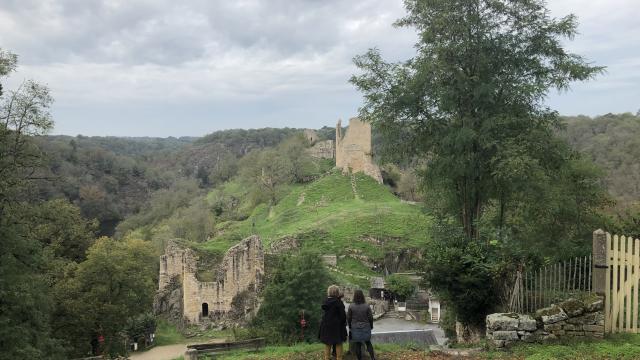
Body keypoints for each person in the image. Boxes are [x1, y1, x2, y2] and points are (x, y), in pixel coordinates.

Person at [319, 285, 347, 360]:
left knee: (328, 343)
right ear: (337, 292)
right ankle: (339, 358)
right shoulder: (339, 302)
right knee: (338, 343)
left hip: (326, 325)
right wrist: (343, 323)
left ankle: (327, 358)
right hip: (337, 326)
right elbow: (343, 316)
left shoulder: (325, 301)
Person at [347, 289, 376, 360]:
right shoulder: (366, 306)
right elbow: (370, 318)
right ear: (362, 296)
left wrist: (350, 327)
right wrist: (371, 326)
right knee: (368, 343)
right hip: (366, 327)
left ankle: (359, 359)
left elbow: (348, 318)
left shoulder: (351, 306)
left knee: (358, 344)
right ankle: (373, 358)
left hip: (355, 327)